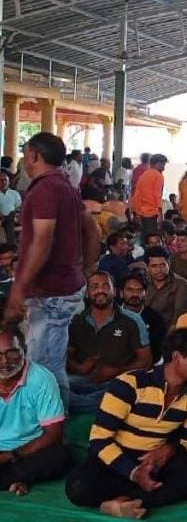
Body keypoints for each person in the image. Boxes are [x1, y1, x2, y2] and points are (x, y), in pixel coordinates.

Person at [64, 329, 187, 519]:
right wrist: (133, 472)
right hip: (116, 459)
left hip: (157, 462)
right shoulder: (129, 384)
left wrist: (169, 450)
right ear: (177, 357)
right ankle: (144, 495)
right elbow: (99, 440)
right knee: (78, 488)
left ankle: (124, 501)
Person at [2, 132, 101, 412]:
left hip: (51, 291)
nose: (23, 158)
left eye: (25, 153)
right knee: (48, 363)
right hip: (62, 287)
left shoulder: (45, 190)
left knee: (45, 367)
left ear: (33, 154)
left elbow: (42, 240)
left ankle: (56, 427)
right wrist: (87, 267)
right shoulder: (66, 186)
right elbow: (92, 229)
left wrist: (18, 290)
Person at [0, 327, 72, 496]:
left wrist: (10, 455)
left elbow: (53, 435)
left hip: (28, 451)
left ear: (24, 350)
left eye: (11, 353)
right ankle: (17, 478)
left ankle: (12, 476)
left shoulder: (41, 379)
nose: (4, 361)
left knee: (59, 456)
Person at [67, 271, 152, 413]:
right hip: (82, 379)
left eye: (106, 286)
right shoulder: (76, 320)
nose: (100, 290)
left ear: (115, 292)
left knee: (119, 392)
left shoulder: (132, 320)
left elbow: (145, 361)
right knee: (59, 388)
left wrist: (117, 371)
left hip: (118, 381)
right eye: (94, 286)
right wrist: (80, 368)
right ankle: (91, 405)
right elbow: (68, 356)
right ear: (87, 293)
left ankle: (86, 405)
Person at [144, 246, 187, 331]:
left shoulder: (181, 284)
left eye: (163, 265)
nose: (159, 270)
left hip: (169, 332)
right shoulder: (143, 282)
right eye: (154, 266)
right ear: (147, 267)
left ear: (168, 263)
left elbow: (178, 317)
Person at [131, 153, 167, 235]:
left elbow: (136, 195)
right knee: (152, 237)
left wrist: (137, 211)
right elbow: (157, 195)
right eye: (163, 164)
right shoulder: (158, 175)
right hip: (152, 212)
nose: (164, 167)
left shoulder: (143, 175)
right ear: (158, 163)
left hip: (142, 212)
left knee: (145, 238)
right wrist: (160, 212)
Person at [0, 171, 22, 243]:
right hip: (1, 218)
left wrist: (15, 213)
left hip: (12, 218)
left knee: (11, 217)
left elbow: (19, 208)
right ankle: (12, 246)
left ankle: (11, 245)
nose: (3, 182)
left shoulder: (15, 193)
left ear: (9, 181)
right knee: (9, 219)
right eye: (0, 180)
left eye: (5, 180)